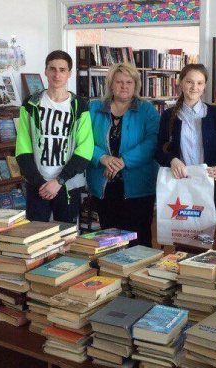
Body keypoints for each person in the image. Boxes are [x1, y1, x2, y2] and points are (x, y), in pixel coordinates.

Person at [15, 50, 93, 223]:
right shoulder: (30, 104)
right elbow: (22, 148)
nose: (57, 75)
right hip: (38, 185)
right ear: (45, 71)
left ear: (69, 73)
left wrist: (59, 181)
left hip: (68, 185)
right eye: (52, 69)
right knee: (36, 235)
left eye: (62, 70)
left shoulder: (79, 106)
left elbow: (85, 149)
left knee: (66, 235)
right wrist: (40, 183)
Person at [87, 62, 160, 247]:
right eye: (119, 81)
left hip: (138, 188)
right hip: (103, 187)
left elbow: (153, 141)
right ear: (110, 84)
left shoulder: (146, 110)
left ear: (136, 85)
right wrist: (102, 158)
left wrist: (123, 161)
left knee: (139, 241)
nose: (124, 86)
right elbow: (83, 140)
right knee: (109, 242)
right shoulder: (94, 108)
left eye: (129, 82)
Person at [155, 63, 216, 222]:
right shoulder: (168, 115)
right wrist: (172, 160)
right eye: (189, 82)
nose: (194, 87)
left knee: (214, 233)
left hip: (209, 184)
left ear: (204, 86)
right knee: (183, 232)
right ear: (181, 83)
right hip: (179, 186)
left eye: (199, 83)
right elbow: (159, 149)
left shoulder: (215, 114)